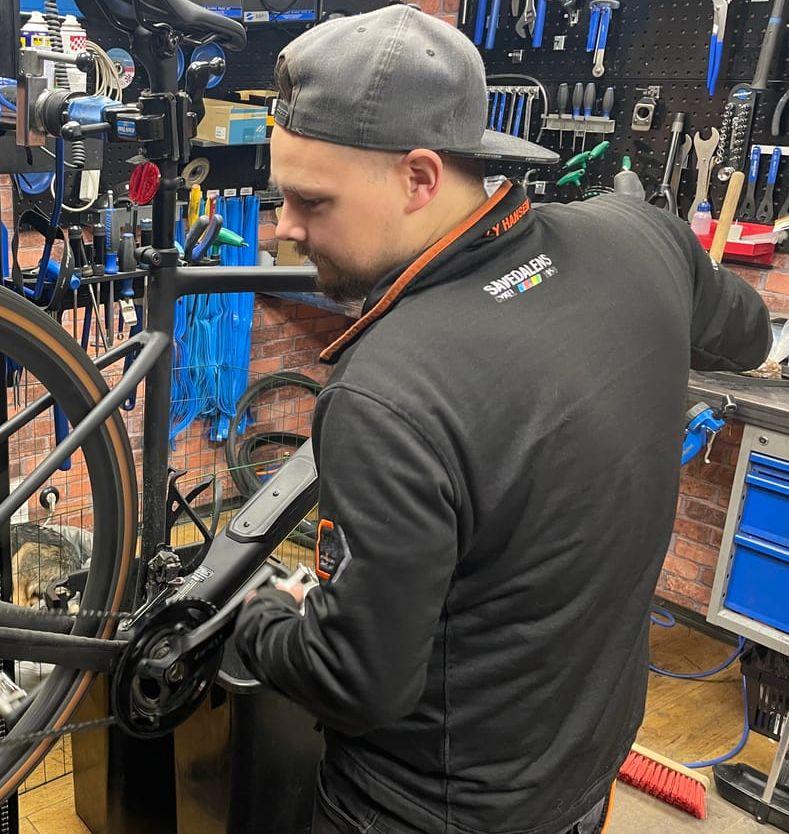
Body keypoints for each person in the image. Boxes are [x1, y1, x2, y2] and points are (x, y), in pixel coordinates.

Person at [232, 6, 773, 834]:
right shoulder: (643, 238)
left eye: (310, 201)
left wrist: (265, 617)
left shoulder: (388, 393)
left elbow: (357, 680)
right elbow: (742, 334)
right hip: (584, 765)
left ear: (418, 177)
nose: (285, 232)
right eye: (279, 199)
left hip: (428, 810)